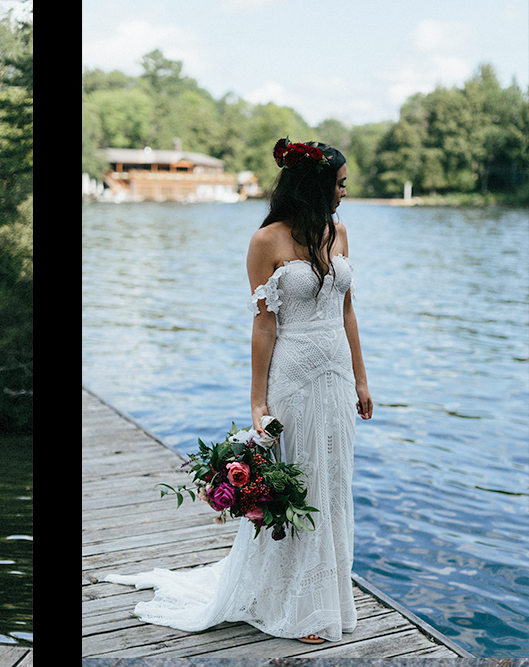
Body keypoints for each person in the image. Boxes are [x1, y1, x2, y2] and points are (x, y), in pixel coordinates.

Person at [104, 139, 372, 644]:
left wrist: (361, 378)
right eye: (338, 183)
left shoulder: (339, 233)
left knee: (334, 483)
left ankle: (326, 596)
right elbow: (264, 326)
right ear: (314, 185)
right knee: (301, 483)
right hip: (293, 375)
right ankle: (298, 610)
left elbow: (348, 310)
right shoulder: (265, 241)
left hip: (336, 375)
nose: (344, 192)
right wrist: (257, 401)